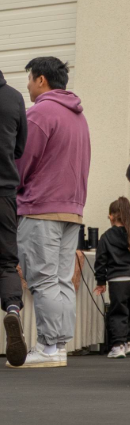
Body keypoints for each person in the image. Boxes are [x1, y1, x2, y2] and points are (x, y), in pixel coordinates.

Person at [11, 57, 91, 369]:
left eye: (30, 79)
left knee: (42, 279)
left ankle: (46, 346)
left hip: (41, 207)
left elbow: (22, 161)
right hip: (72, 209)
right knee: (61, 280)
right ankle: (58, 346)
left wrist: (14, 189)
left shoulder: (41, 112)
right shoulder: (78, 117)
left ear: (41, 79)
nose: (28, 85)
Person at [93, 197, 130, 358]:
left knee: (118, 313)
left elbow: (100, 261)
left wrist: (101, 281)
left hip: (117, 280)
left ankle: (118, 346)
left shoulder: (106, 237)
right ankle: (129, 343)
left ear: (111, 216)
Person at [1, 67, 29, 367]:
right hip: (4, 193)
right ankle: (12, 309)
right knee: (7, 263)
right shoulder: (13, 97)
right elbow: (20, 147)